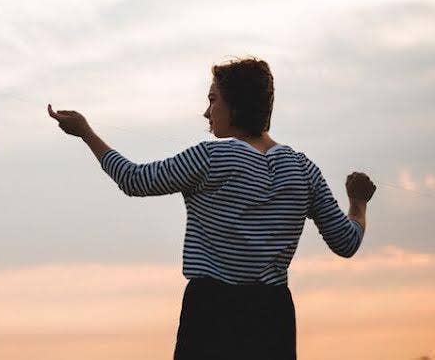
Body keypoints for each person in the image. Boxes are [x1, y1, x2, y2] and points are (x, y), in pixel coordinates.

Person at [48, 56, 377, 360]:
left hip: (212, 313)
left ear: (235, 104)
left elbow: (135, 180)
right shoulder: (303, 169)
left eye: (212, 99)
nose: (207, 112)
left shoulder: (211, 157)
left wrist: (85, 133)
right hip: (272, 319)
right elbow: (346, 242)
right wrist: (358, 203)